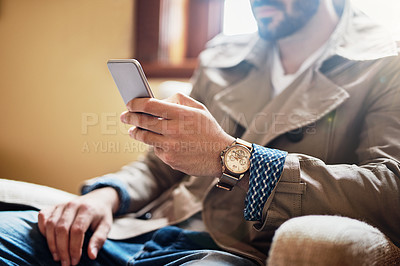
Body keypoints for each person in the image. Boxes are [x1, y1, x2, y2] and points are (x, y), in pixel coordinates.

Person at [1, 0, 399, 265]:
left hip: (231, 252)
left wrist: (232, 157)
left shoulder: (385, 61)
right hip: (146, 232)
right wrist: (107, 197)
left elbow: (390, 191)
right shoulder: (222, 55)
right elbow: (165, 167)